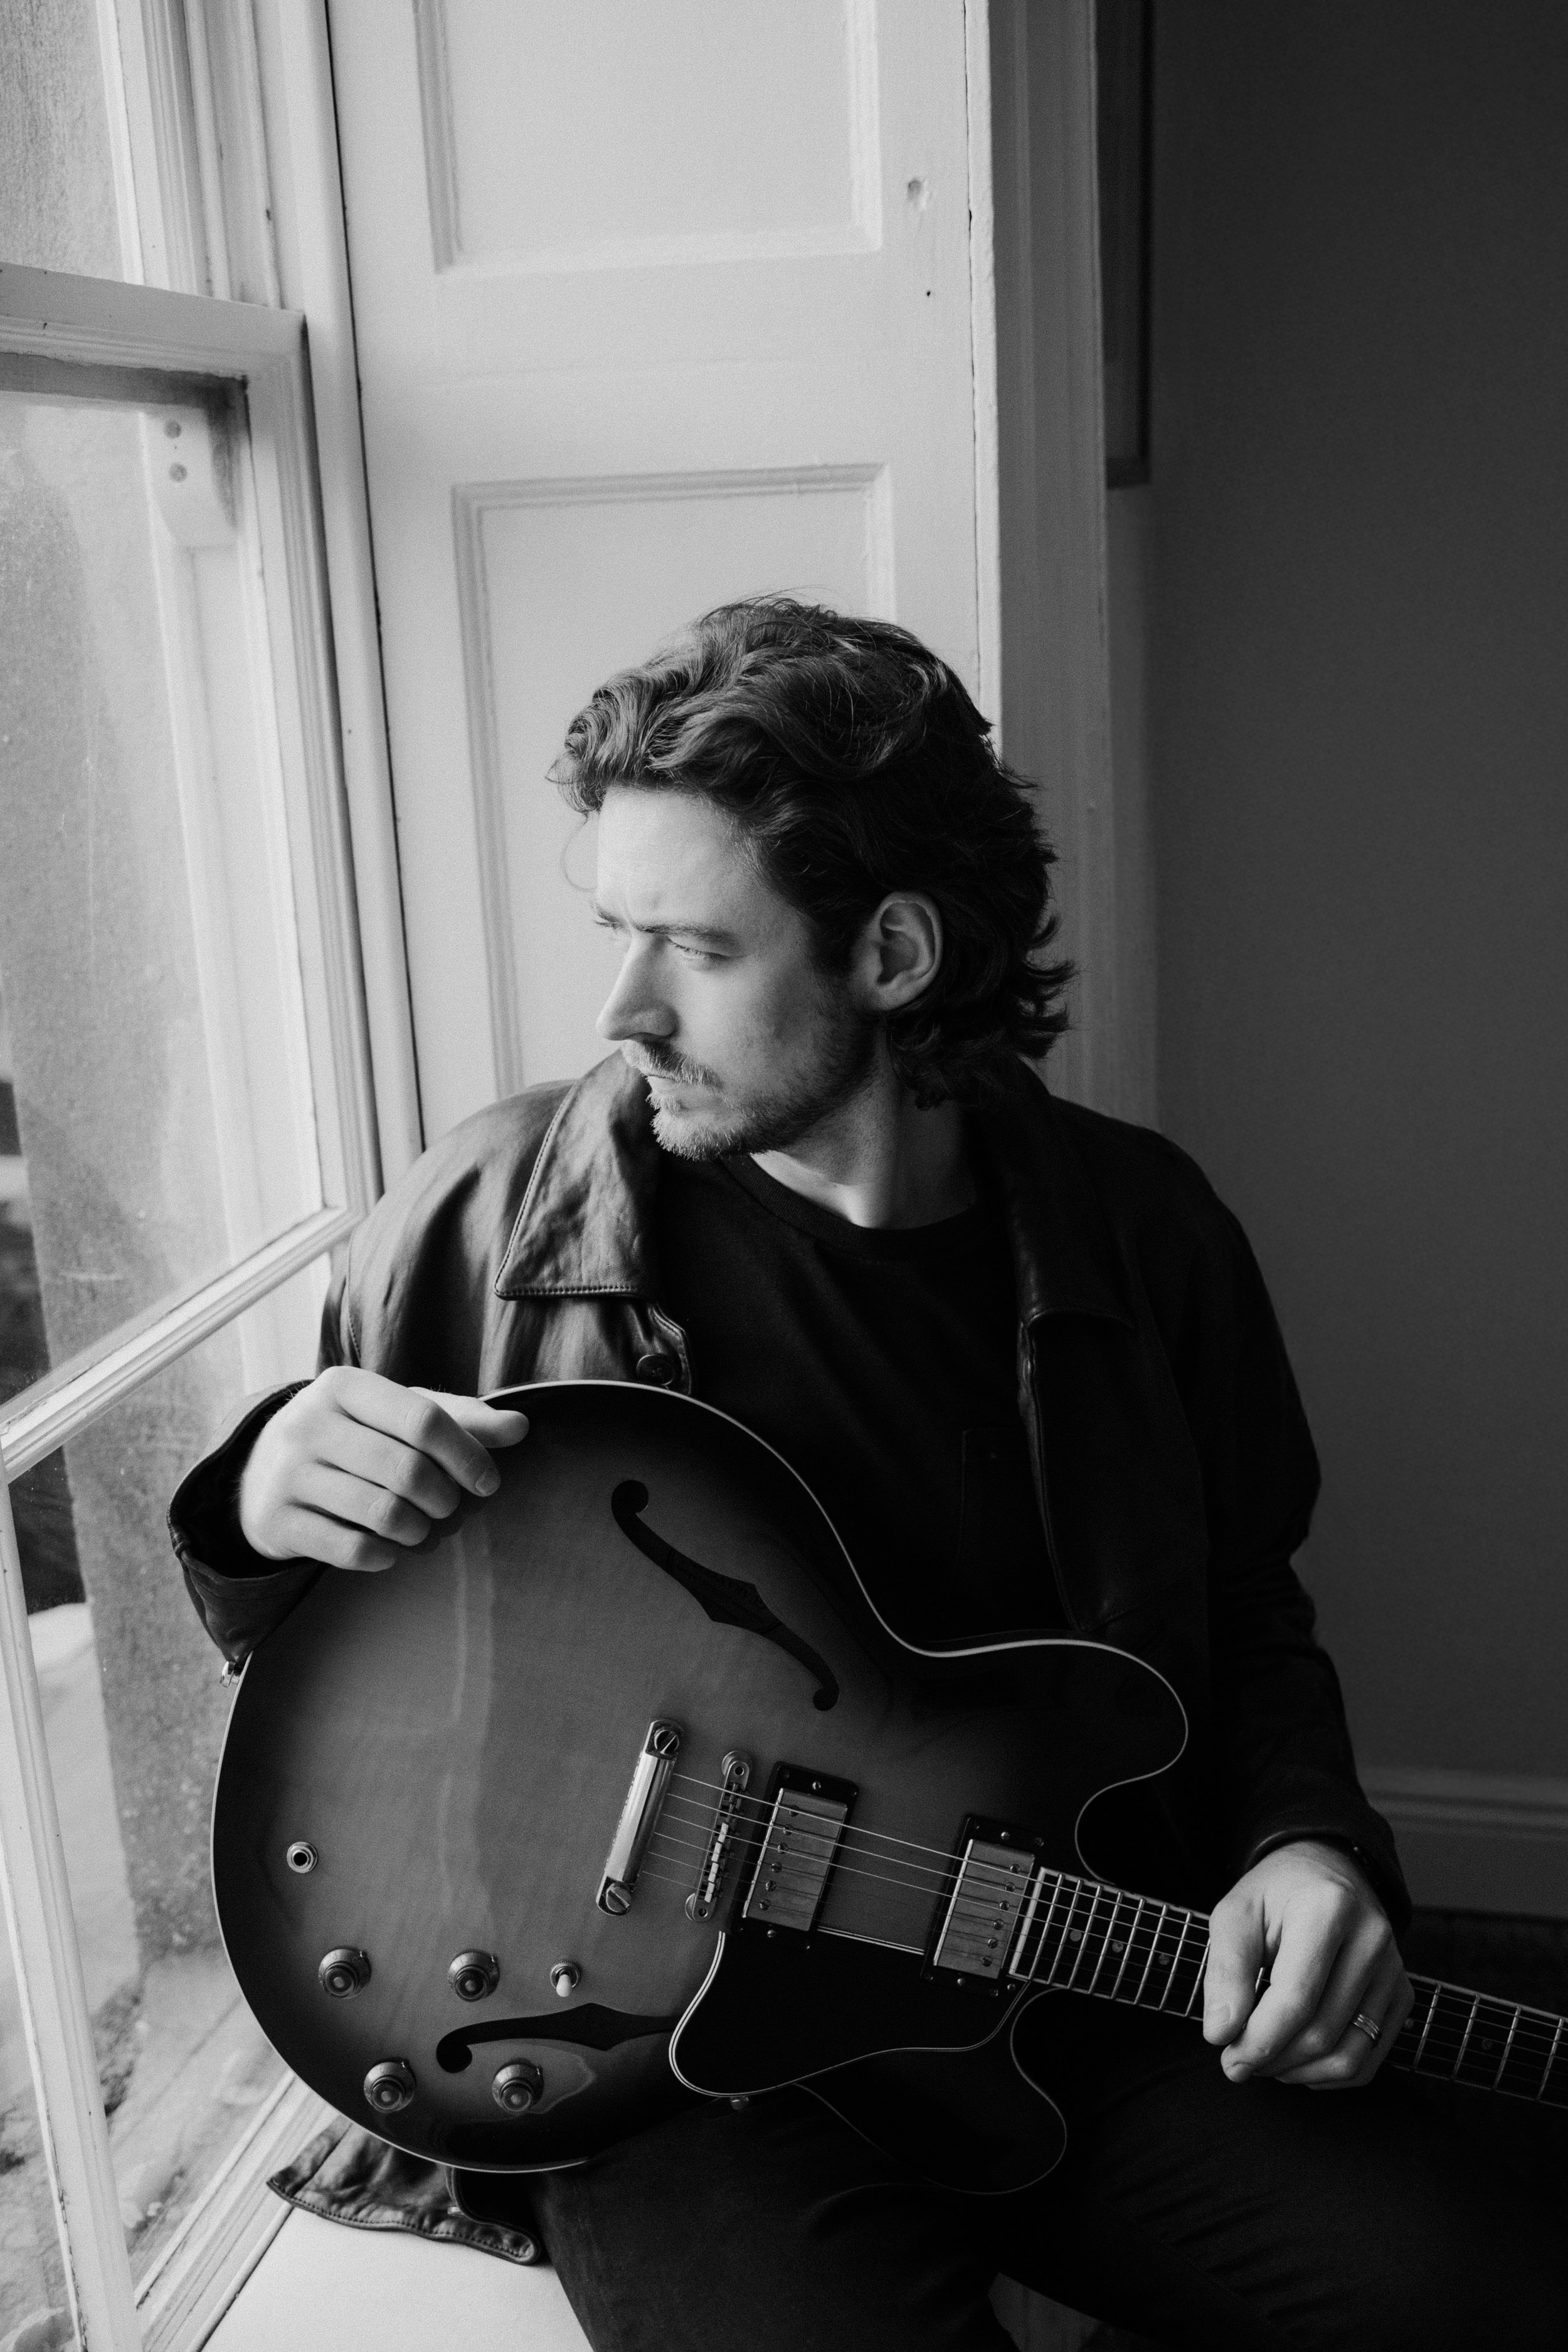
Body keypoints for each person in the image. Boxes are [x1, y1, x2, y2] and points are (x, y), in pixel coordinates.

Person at [171, 600, 1562, 2348]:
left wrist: (1308, 1848)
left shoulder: (1144, 1234)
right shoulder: (486, 1215)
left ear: (892, 953)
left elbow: (1242, 1605)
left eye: (693, 947)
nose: (620, 1009)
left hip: (1060, 1977)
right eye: (615, 932)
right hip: (673, 2067)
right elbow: (325, 1664)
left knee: (1486, 2287)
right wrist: (256, 1503)